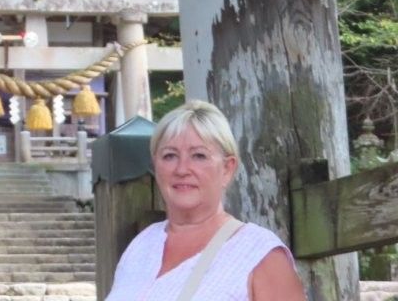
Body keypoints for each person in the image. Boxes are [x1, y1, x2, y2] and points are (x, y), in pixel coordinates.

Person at [105, 100, 305, 301]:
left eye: (199, 156)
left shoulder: (260, 253)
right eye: (169, 156)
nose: (182, 169)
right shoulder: (142, 245)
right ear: (155, 165)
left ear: (227, 169)